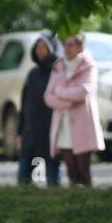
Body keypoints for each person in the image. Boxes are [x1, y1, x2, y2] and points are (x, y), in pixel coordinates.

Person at [45, 32, 105, 187]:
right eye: (65, 44)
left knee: (83, 169)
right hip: (63, 125)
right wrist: (67, 102)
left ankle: (88, 200)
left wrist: (60, 92)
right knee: (70, 169)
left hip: (82, 125)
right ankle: (73, 200)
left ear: (80, 47)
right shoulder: (58, 66)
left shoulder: (88, 65)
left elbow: (84, 91)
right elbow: (48, 96)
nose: (67, 48)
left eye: (71, 45)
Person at [16, 32, 62, 186]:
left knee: (52, 169)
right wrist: (19, 130)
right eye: (38, 47)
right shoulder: (33, 74)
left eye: (44, 47)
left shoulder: (58, 73)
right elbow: (24, 104)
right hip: (30, 130)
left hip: (50, 130)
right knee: (24, 170)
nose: (40, 50)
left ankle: (55, 194)